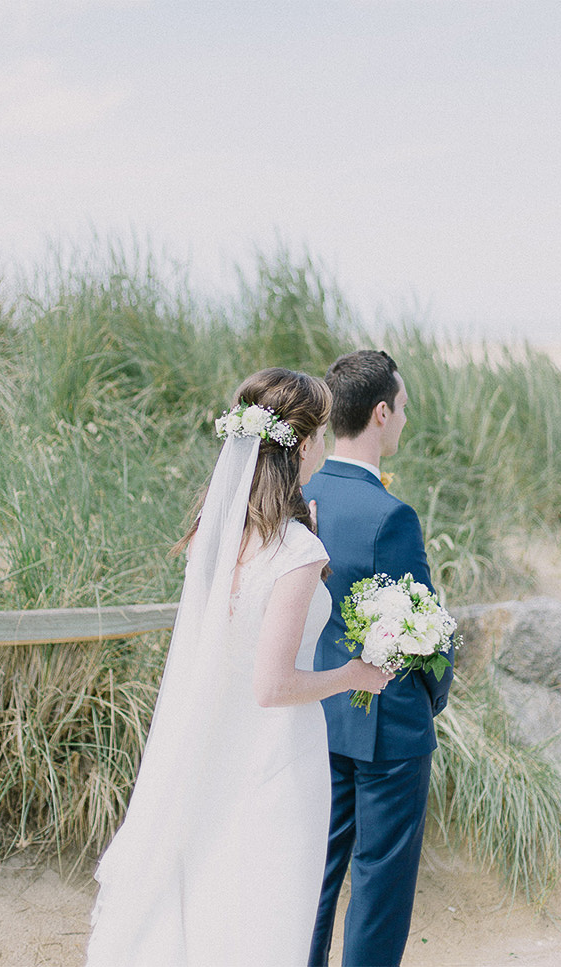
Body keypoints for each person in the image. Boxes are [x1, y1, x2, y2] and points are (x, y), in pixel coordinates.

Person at [86, 367, 393, 966]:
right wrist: (355, 674)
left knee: (209, 894)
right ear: (303, 445)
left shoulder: (216, 533)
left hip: (211, 742)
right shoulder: (297, 551)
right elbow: (273, 685)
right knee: (268, 909)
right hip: (277, 755)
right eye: (323, 433)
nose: (327, 445)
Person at [305, 350, 453, 967]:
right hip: (386, 729)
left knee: (313, 876)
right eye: (403, 411)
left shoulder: (300, 493)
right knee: (379, 885)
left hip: (312, 716)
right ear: (381, 413)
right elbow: (427, 632)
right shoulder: (389, 515)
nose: (404, 425)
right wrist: (432, 702)